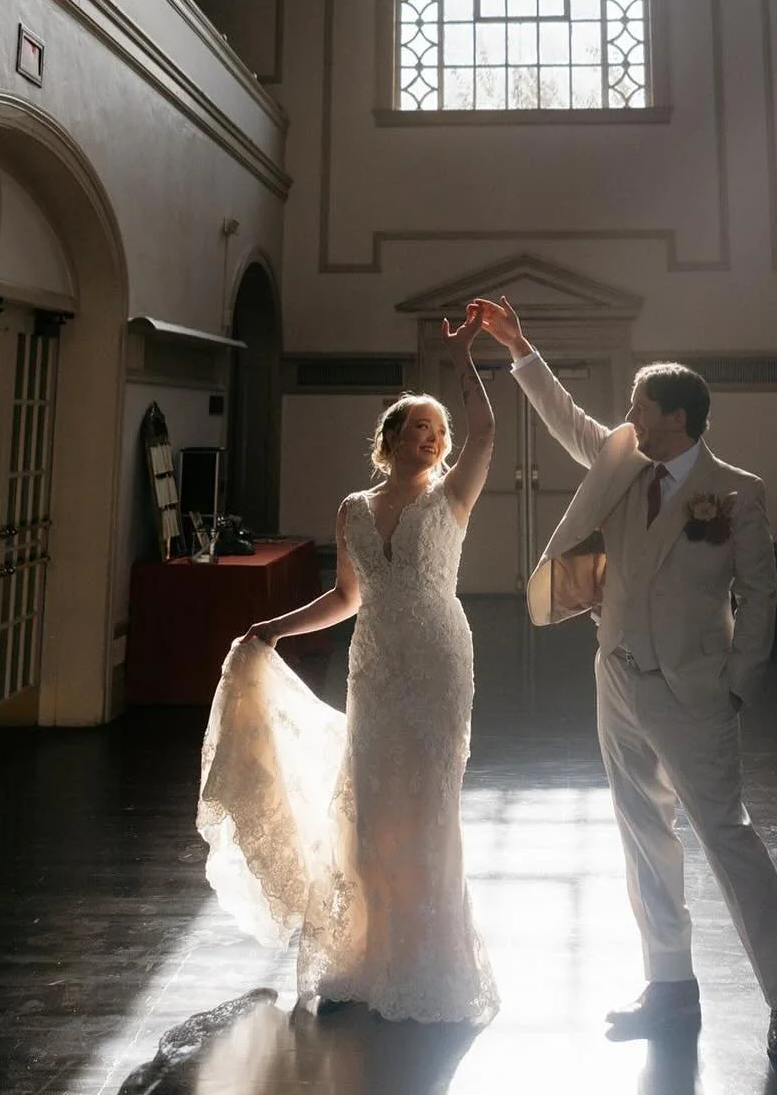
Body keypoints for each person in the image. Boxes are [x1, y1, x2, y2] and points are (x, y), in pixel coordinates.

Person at [472, 294, 777, 1066]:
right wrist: (521, 349)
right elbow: (567, 420)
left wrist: (737, 684)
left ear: (678, 420)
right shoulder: (625, 464)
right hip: (617, 680)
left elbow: (763, 594)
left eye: (638, 405)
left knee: (730, 843)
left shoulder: (738, 493)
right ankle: (670, 988)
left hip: (696, 696)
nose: (625, 415)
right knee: (641, 839)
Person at [196, 312, 499, 1026]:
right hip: (376, 661)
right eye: (416, 428)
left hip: (437, 657)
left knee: (427, 802)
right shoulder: (353, 510)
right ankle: (366, 953)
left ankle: (429, 958)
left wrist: (464, 361)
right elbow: (345, 597)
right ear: (389, 439)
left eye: (436, 431)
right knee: (368, 806)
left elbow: (485, 432)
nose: (429, 437)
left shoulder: (452, 494)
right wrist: (274, 628)